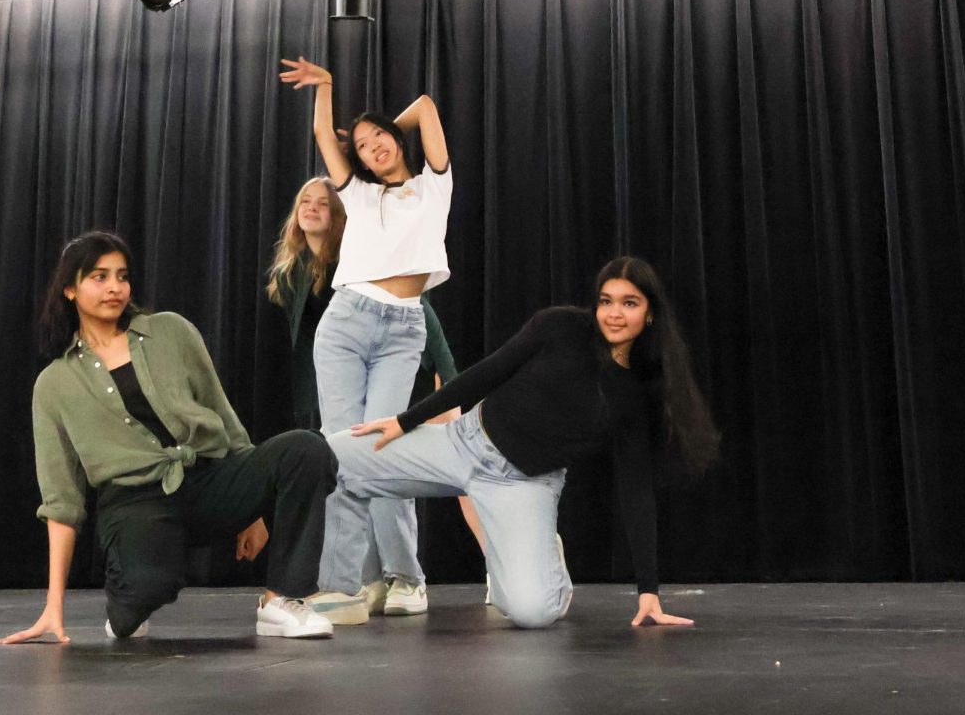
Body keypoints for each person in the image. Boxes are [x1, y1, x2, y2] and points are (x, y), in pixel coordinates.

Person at [318, 257, 720, 629]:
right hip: (462, 443)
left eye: (629, 303)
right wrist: (406, 421)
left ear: (650, 313)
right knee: (330, 456)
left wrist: (648, 591)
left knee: (532, 613)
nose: (614, 313)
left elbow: (635, 487)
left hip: (524, 485)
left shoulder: (636, 393)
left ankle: (544, 559)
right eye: (606, 301)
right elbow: (487, 373)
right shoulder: (559, 326)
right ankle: (339, 588)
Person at [0, 231, 337, 644]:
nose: (115, 287)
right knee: (143, 595)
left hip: (207, 478)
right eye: (99, 277)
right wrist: (53, 605)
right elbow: (61, 499)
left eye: (122, 276)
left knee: (306, 449)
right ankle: (131, 600)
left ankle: (282, 598)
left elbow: (223, 416)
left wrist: (253, 510)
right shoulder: (54, 383)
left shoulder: (171, 332)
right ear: (69, 288)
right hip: (135, 500)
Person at [279, 57, 454, 623]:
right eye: (361, 145)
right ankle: (348, 584)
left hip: (403, 328)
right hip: (347, 323)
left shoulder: (433, 186)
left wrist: (378, 132)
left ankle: (407, 577)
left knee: (383, 449)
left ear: (397, 140)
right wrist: (327, 89)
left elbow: (425, 106)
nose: (373, 147)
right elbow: (319, 134)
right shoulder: (357, 194)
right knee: (341, 452)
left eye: (380, 137)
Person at [266, 177, 481, 612]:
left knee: (383, 458)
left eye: (322, 203)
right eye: (305, 200)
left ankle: (407, 576)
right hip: (340, 375)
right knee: (344, 467)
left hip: (405, 369)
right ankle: (367, 580)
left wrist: (448, 377)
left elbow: (419, 310)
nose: (311, 207)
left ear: (338, 215)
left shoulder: (356, 256)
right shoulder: (292, 272)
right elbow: (306, 345)